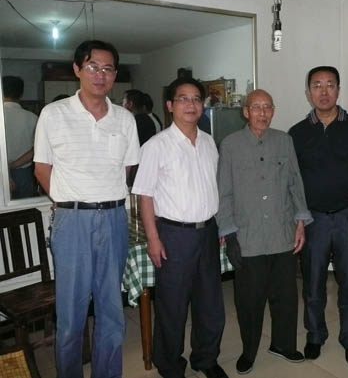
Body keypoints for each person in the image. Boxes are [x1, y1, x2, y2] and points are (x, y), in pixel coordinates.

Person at [33, 40, 140, 378]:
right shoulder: (54, 114)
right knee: (71, 315)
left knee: (111, 311)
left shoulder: (125, 119)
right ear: (77, 69)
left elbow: (125, 169)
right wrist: (69, 201)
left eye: (108, 68)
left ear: (115, 75)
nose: (100, 74)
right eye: (93, 66)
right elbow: (41, 168)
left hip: (114, 219)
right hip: (72, 221)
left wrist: (101, 199)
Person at [132, 77, 228, 378]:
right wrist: (153, 238)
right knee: (172, 306)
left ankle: (206, 359)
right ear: (170, 105)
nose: (191, 105)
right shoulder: (156, 146)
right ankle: (170, 365)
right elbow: (144, 195)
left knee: (210, 303)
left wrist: (218, 226)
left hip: (208, 232)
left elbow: (214, 187)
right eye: (183, 99)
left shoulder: (209, 142)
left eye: (196, 99)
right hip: (174, 235)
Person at [216, 89, 313, 374]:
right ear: (245, 111)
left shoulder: (284, 140)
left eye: (267, 107)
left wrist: (300, 222)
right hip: (248, 237)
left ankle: (283, 344)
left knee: (286, 295)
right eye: (256, 107)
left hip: (282, 232)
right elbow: (224, 192)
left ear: (273, 110)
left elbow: (295, 183)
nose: (262, 112)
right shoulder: (230, 145)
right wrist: (229, 233)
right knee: (249, 300)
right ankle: (249, 350)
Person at [289, 66, 348, 365]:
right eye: (317, 85)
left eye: (329, 85)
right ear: (308, 92)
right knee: (312, 283)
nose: (323, 92)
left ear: (338, 89)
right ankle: (315, 335)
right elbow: (293, 182)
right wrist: (298, 220)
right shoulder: (297, 133)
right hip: (313, 220)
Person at [2, 75, 38, 199]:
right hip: (23, 173)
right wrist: (13, 165)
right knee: (25, 208)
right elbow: (36, 149)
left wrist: (5, 170)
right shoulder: (33, 117)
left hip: (1, 171)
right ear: (21, 94)